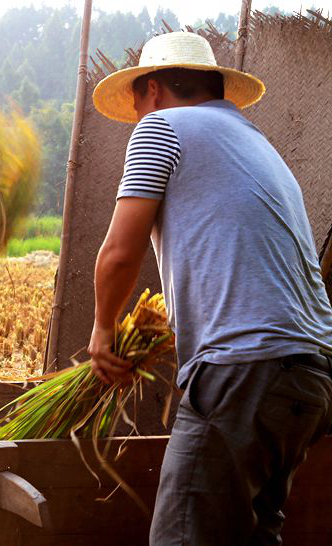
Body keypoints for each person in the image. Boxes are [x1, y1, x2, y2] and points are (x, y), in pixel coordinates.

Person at [88, 31, 332, 544]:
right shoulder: (250, 140)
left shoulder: (162, 126)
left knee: (182, 538)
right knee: (253, 534)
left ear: (152, 90)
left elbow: (119, 252)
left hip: (246, 370)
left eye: (136, 100)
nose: (136, 114)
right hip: (309, 375)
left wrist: (102, 330)